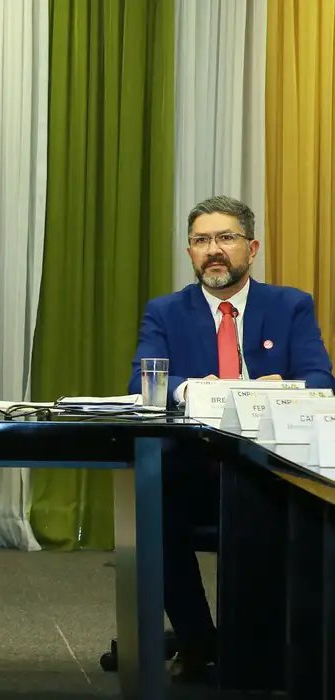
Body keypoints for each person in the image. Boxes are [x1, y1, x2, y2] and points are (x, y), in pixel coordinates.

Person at [128, 194, 335, 683]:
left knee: (304, 506)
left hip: (275, 467)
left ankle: (285, 648)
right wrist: (198, 390)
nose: (213, 250)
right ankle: (197, 638)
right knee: (153, 502)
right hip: (196, 467)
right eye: (201, 241)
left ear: (252, 248)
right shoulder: (166, 311)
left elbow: (320, 379)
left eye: (226, 238)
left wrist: (281, 388)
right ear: (190, 252)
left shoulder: (290, 305)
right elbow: (145, 379)